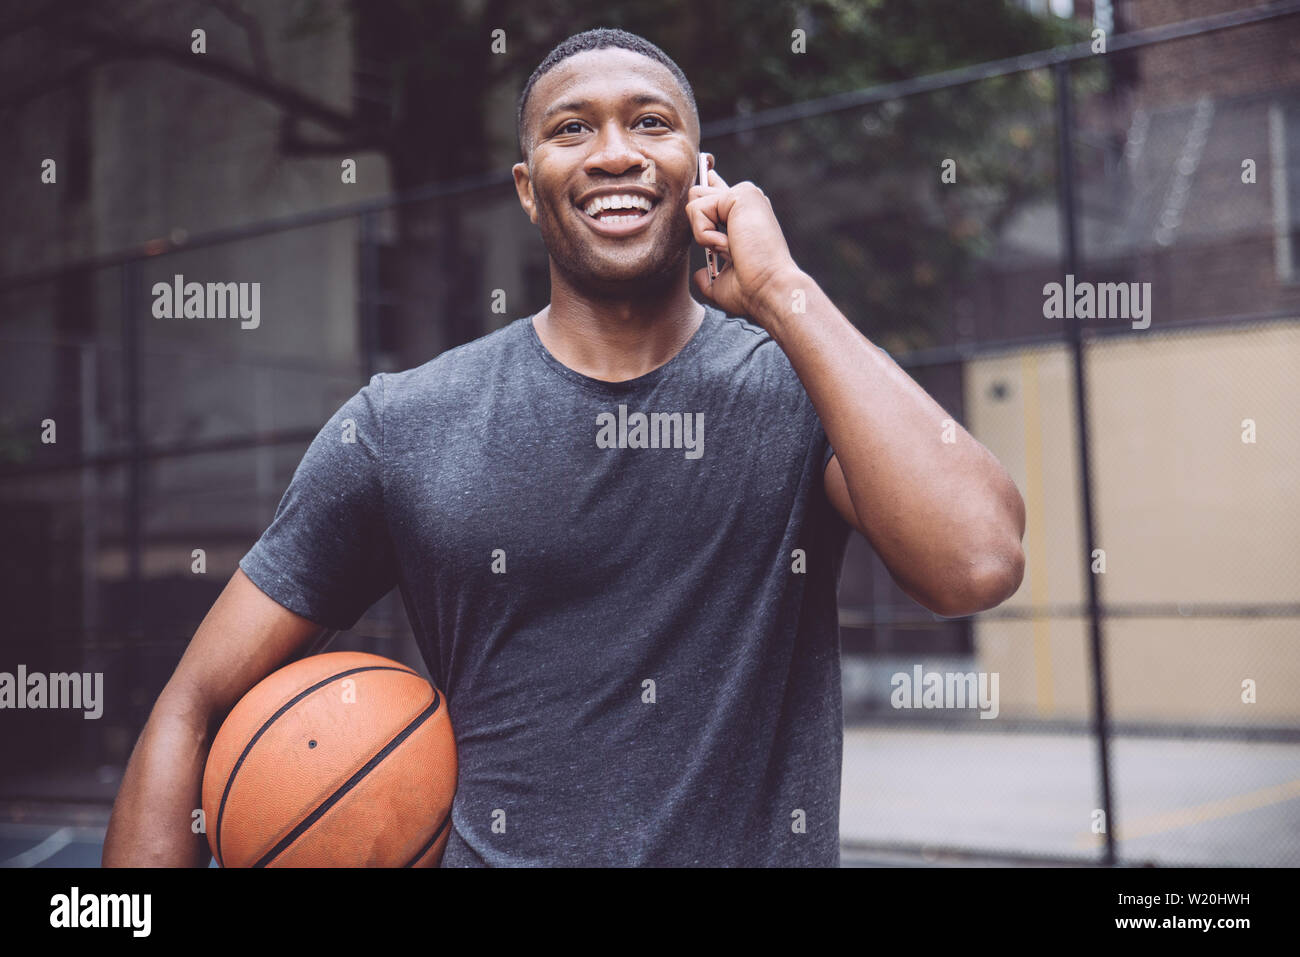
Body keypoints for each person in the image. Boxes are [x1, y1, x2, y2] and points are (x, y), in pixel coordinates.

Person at [104, 27, 1025, 868]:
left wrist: (783, 291)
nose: (615, 152)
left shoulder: (800, 389)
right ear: (527, 186)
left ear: (700, 173)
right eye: (572, 128)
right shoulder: (403, 423)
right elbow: (193, 704)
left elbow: (978, 561)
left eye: (650, 123)